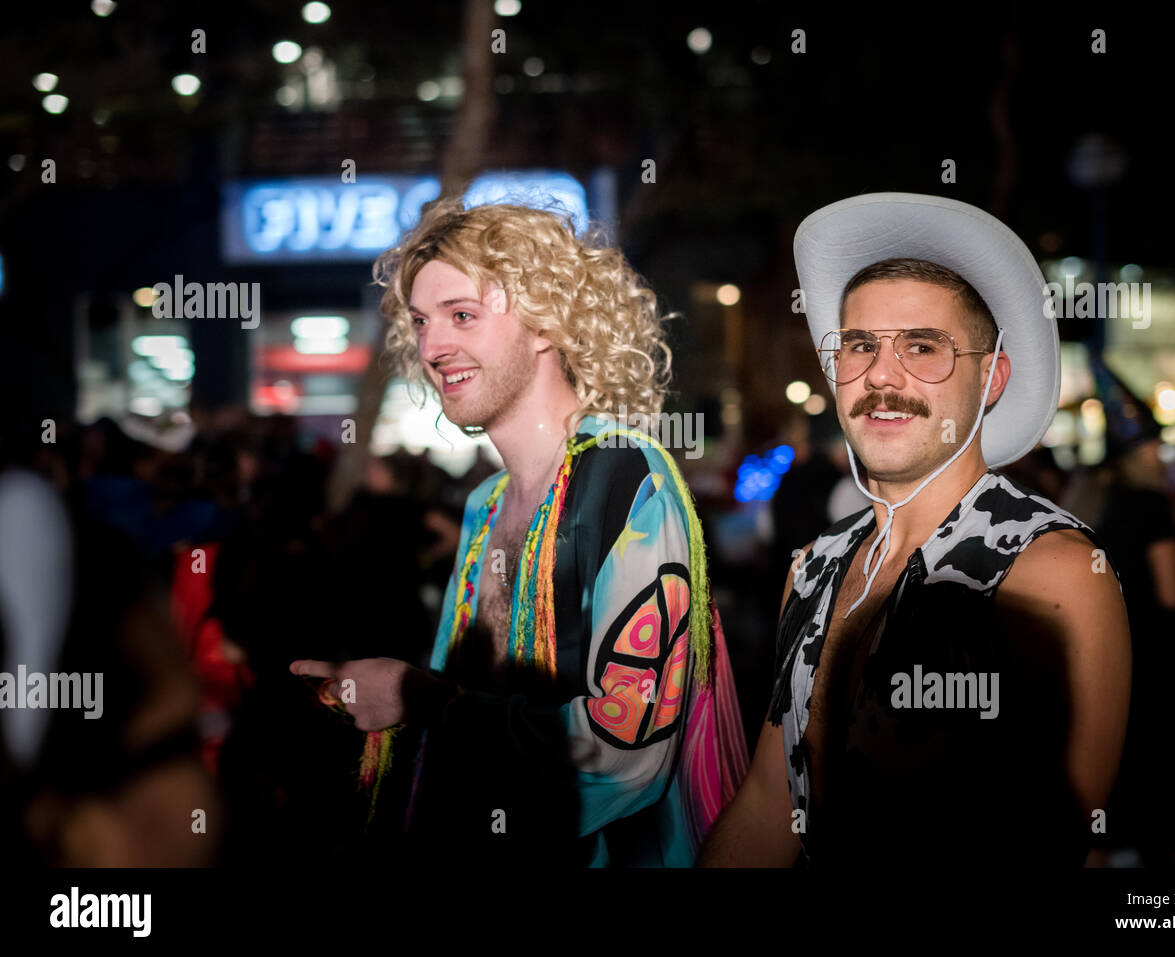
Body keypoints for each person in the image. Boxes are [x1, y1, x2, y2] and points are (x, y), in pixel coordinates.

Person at [291, 197, 747, 866]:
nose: (432, 347)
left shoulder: (625, 482)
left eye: (462, 316)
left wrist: (425, 700)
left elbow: (630, 751)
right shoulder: (484, 506)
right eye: (421, 322)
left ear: (545, 322)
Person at [699, 193, 1131, 867]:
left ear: (991, 378)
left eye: (923, 347)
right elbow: (769, 801)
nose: (881, 374)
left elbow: (1057, 841)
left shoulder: (1049, 571)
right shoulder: (813, 565)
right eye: (860, 345)